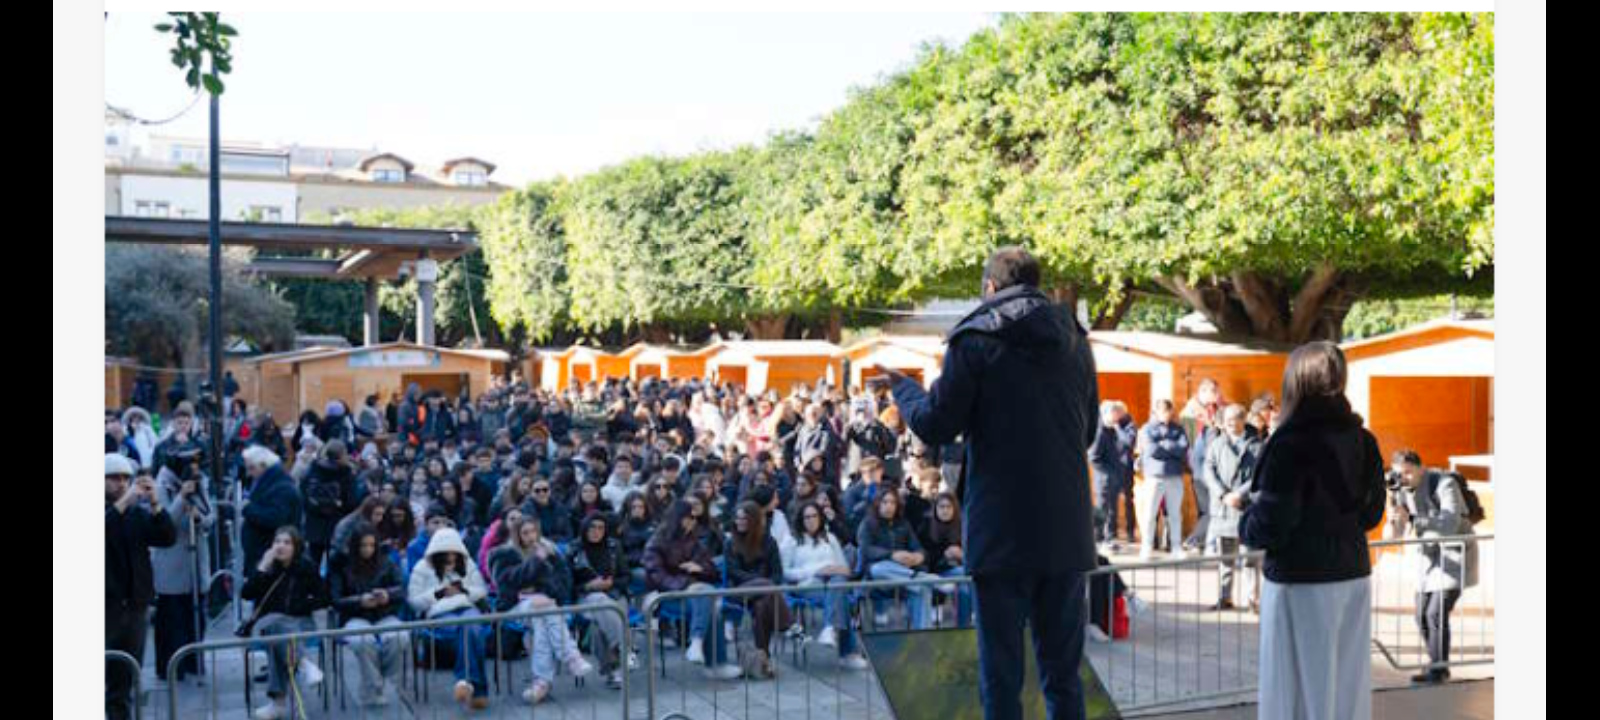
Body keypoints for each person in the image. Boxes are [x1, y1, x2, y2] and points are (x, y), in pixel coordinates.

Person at [882, 246, 1099, 720]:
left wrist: (904, 388)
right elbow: (1088, 432)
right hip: (1066, 530)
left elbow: (936, 424)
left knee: (1001, 676)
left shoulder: (975, 337)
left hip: (1001, 532)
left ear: (990, 287)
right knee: (1064, 676)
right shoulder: (1075, 338)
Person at [1241, 341, 1387, 720]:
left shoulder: (1287, 444)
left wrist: (1245, 519)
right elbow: (1372, 515)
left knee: (1294, 692)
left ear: (1296, 381)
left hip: (1300, 580)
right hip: (1353, 572)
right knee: (1347, 689)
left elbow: (1271, 524)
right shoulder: (1364, 440)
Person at [1384, 449, 1480, 685]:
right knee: (1421, 615)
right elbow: (1393, 536)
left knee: (1435, 612)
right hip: (1428, 561)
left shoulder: (1444, 483)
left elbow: (1450, 524)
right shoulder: (1400, 491)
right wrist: (1393, 518)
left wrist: (1414, 519)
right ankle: (1437, 664)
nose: (1404, 478)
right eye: (1399, 474)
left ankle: (1438, 670)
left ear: (1421, 467)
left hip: (1455, 554)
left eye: (1408, 472)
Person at [487, 516, 594, 705]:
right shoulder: (503, 554)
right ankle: (571, 656)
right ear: (517, 535)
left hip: (544, 607)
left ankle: (541, 683)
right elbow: (507, 585)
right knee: (543, 609)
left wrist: (539, 590)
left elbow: (563, 586)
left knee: (541, 619)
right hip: (513, 607)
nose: (531, 536)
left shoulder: (551, 552)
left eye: (534, 531)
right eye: (525, 533)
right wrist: (536, 562)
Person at [105, 454, 177, 720]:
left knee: (125, 680)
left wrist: (156, 503)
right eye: (114, 478)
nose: (122, 483)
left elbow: (167, 537)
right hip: (106, 607)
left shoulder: (135, 513)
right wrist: (125, 501)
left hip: (135, 606)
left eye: (126, 478)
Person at [643, 500, 741, 680]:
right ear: (678, 518)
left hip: (697, 594)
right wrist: (686, 585)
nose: (693, 522)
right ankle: (714, 662)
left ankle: (699, 646)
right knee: (706, 597)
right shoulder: (657, 542)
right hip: (667, 596)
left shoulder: (693, 541)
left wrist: (699, 568)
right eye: (689, 517)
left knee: (708, 600)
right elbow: (656, 575)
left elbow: (713, 571)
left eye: (695, 518)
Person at [241, 526, 331, 720]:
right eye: (277, 542)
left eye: (287, 542)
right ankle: (304, 664)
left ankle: (278, 703)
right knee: (277, 626)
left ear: (296, 547)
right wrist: (263, 566)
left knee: (279, 642)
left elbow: (324, 598)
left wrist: (300, 605)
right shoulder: (267, 567)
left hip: (299, 622)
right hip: (268, 623)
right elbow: (246, 594)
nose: (280, 546)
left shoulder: (306, 567)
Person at [407, 526, 493, 711]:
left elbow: (481, 591)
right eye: (446, 552)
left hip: (466, 607)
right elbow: (414, 601)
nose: (451, 556)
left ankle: (465, 681)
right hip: (439, 613)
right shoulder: (422, 568)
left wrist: (463, 590)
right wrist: (439, 594)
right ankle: (478, 690)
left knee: (470, 628)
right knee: (469, 631)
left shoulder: (468, 564)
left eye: (454, 551)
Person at [150, 449, 215, 683]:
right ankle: (170, 667)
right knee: (172, 619)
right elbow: (164, 522)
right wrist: (181, 497)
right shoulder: (161, 486)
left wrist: (199, 517)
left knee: (195, 617)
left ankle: (193, 662)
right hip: (172, 563)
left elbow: (210, 516)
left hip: (196, 562)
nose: (195, 470)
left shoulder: (200, 483)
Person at [782, 501, 870, 669]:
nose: (811, 520)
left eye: (814, 516)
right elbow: (785, 572)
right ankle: (847, 653)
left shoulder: (830, 538)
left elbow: (843, 567)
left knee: (839, 585)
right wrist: (817, 570)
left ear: (821, 518)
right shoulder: (791, 540)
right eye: (807, 517)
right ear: (801, 519)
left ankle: (830, 628)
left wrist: (837, 570)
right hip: (807, 584)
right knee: (841, 599)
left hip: (833, 582)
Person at [329, 523, 406, 707]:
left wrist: (387, 595)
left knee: (400, 637)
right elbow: (335, 600)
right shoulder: (341, 566)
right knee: (362, 641)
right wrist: (359, 601)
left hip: (384, 614)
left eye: (371, 545)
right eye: (363, 545)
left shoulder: (387, 562)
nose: (368, 549)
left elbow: (402, 589)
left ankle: (379, 681)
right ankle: (374, 686)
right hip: (354, 616)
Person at [725, 500, 803, 679]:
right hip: (739, 591)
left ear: (753, 520)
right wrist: (760, 582)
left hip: (766, 594)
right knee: (767, 587)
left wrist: (765, 584)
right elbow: (733, 572)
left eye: (744, 519)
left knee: (761, 607)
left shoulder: (769, 542)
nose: (739, 522)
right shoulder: (731, 543)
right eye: (737, 518)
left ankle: (764, 660)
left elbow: (777, 573)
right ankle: (791, 625)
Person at [1201, 404, 1263, 612]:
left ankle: (1253, 599)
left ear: (1243, 420)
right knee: (1225, 558)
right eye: (1226, 420)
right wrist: (1223, 494)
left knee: (1249, 559)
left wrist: (1239, 494)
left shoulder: (1257, 446)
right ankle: (1224, 597)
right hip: (1223, 508)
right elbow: (1208, 470)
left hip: (1246, 508)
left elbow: (1260, 475)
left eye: (1233, 420)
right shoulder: (1217, 444)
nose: (1228, 424)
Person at [568, 513, 631, 688]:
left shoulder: (614, 547)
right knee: (599, 600)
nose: (596, 531)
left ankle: (613, 672)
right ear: (585, 529)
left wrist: (612, 583)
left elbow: (627, 577)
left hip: (615, 595)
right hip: (585, 598)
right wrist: (588, 586)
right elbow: (566, 586)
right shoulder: (573, 550)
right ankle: (625, 650)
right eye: (592, 527)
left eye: (600, 528)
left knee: (598, 626)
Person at [856, 489, 933, 630]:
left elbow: (918, 548)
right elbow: (866, 550)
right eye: (885, 502)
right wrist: (891, 555)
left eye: (892, 503)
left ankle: (923, 636)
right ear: (878, 504)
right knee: (878, 569)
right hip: (878, 580)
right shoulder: (867, 524)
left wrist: (918, 557)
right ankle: (917, 576)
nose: (889, 506)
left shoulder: (903, 524)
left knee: (922, 589)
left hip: (903, 579)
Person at [240, 446, 303, 579]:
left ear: (263, 466)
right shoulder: (271, 483)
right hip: (265, 550)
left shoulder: (281, 487)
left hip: (271, 553)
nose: (249, 473)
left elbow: (275, 518)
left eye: (252, 468)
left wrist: (247, 509)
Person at [1138, 400, 1189, 560]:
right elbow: (1152, 450)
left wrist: (1164, 444)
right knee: (1150, 514)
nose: (1168, 414)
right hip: (1155, 477)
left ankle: (1176, 547)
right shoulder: (1147, 428)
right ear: (1156, 412)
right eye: (1164, 411)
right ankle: (1146, 547)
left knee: (1175, 514)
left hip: (1175, 476)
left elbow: (1183, 448)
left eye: (1169, 411)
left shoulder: (1178, 428)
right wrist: (1171, 446)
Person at [1182, 378, 1224, 550]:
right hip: (1200, 467)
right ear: (1204, 392)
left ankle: (1201, 542)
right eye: (1215, 392)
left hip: (1212, 465)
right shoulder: (1190, 412)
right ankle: (1194, 540)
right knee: (1208, 510)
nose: (1218, 395)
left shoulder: (1216, 407)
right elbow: (1191, 443)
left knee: (1206, 509)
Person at [303, 440, 357, 571]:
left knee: (313, 563)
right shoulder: (346, 473)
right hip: (336, 525)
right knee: (334, 566)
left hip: (314, 525)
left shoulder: (313, 469)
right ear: (342, 455)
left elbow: (304, 494)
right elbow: (351, 502)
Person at [924, 491, 974, 627]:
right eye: (941, 507)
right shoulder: (926, 527)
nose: (945, 510)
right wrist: (944, 555)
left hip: (957, 571)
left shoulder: (962, 527)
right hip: (935, 572)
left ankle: (964, 626)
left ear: (954, 509)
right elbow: (924, 557)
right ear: (935, 509)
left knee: (964, 589)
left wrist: (962, 556)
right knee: (964, 574)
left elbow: (971, 553)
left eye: (948, 507)